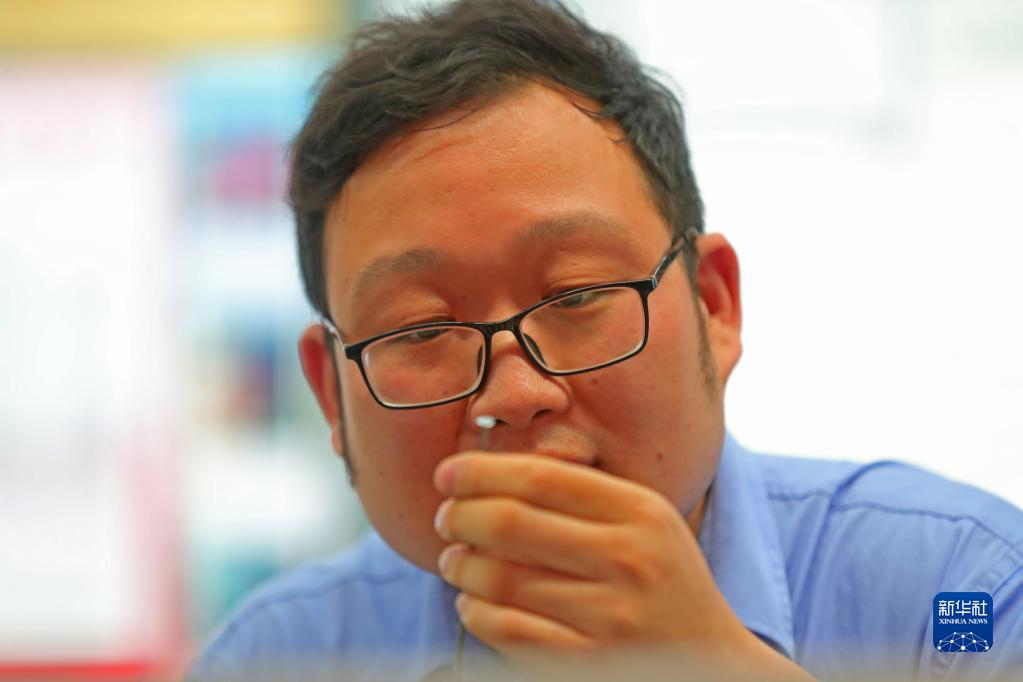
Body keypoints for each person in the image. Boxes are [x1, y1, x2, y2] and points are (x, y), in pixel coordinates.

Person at [189, 1, 1023, 679]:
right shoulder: (279, 655)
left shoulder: (953, 596)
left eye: (577, 295)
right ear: (331, 395)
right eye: (424, 329)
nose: (514, 394)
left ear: (712, 305)